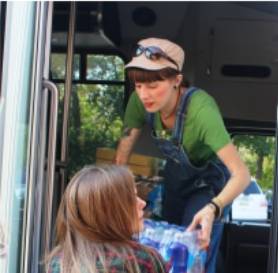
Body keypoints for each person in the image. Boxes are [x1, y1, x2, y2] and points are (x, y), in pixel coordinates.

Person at [115, 37, 250, 273]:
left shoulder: (202, 110)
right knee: (166, 246)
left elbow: (241, 175)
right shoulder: (140, 101)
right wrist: (121, 191)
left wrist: (213, 208)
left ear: (176, 80)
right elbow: (123, 152)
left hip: (209, 184)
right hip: (176, 179)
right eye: (138, 85)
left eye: (153, 86)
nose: (144, 94)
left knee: (193, 244)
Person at [46, 164, 168, 273]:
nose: (142, 203)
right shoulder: (141, 261)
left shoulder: (59, 262)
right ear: (108, 210)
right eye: (131, 198)